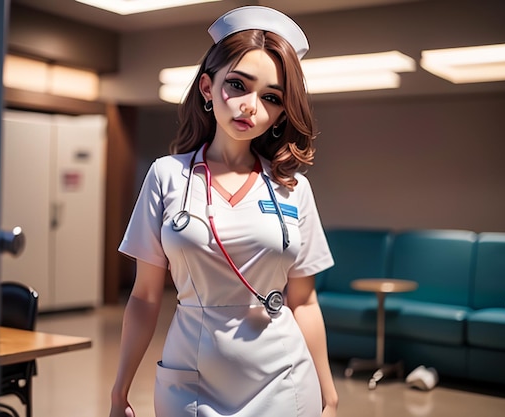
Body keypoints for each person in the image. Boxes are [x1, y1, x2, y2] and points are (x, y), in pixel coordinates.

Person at [110, 5, 338, 417]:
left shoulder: (293, 189)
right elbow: (144, 297)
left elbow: (303, 301)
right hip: (192, 378)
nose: (250, 106)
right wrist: (119, 389)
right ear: (206, 88)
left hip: (282, 379)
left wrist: (329, 394)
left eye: (271, 97)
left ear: (280, 114)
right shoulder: (168, 176)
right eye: (237, 85)